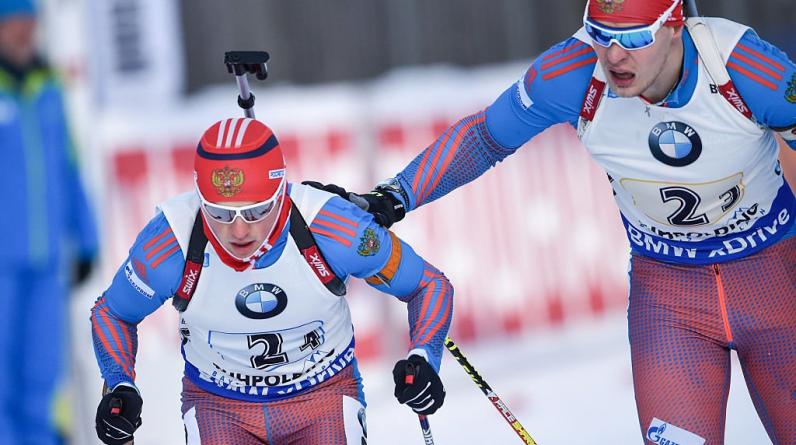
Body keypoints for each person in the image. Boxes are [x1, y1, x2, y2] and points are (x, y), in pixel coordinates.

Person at [308, 1, 796, 443]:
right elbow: (484, 138)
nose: (613, 55)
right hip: (670, 298)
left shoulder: (742, 66)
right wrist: (394, 197)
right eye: (598, 33)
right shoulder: (572, 71)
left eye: (632, 39)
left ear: (675, 27)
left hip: (776, 281)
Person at [90, 117, 452, 444]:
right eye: (219, 213)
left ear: (281, 193)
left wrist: (423, 356)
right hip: (220, 406)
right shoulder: (169, 242)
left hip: (321, 399)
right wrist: (119, 385)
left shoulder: (332, 228)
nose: (239, 230)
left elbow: (427, 284)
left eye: (257, 210)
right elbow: (113, 312)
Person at [0, 1, 99, 444]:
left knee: (43, 368)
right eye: (12, 24)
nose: (23, 33)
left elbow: (69, 165)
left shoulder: (49, 86)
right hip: (3, 260)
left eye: (29, 23)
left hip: (46, 258)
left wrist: (88, 239)